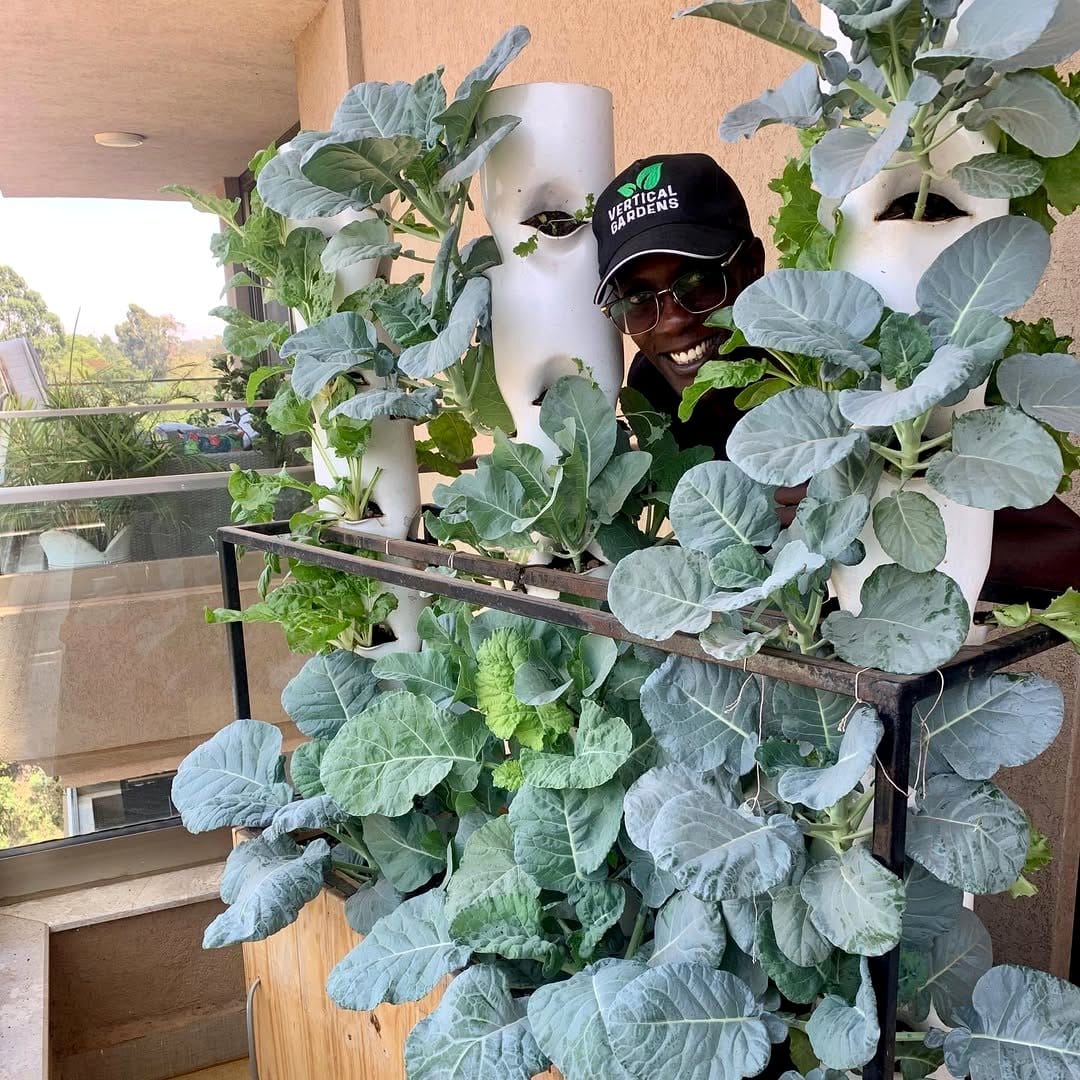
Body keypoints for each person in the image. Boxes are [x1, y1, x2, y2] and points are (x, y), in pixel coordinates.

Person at [591, 152, 1080, 596]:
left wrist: (857, 526)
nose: (672, 320)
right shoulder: (652, 390)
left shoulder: (855, 378)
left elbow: (1067, 549)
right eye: (637, 301)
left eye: (699, 282)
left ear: (754, 266)